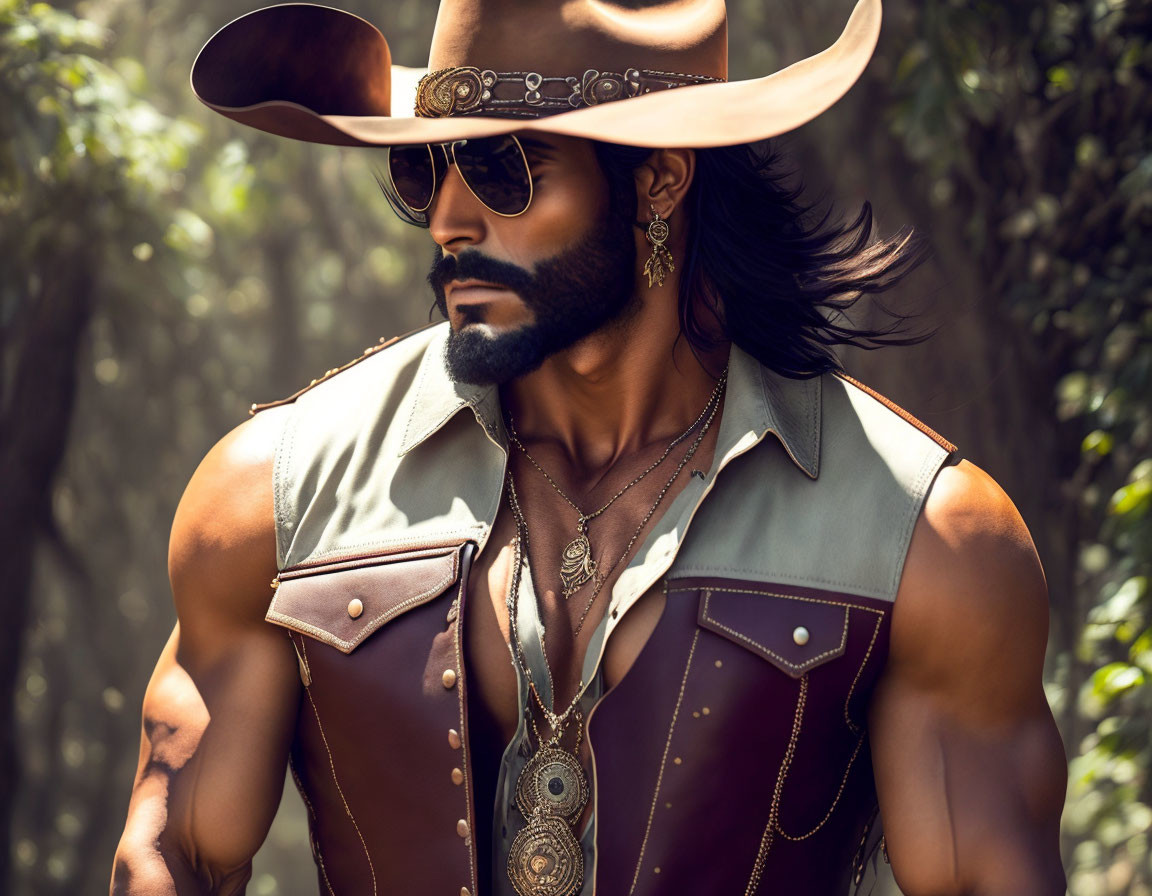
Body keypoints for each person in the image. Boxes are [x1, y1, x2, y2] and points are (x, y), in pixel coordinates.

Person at [112, 1, 1068, 894]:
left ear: (658, 178)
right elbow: (169, 853)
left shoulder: (926, 541)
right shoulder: (273, 493)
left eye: (503, 170)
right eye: (425, 171)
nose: (449, 220)